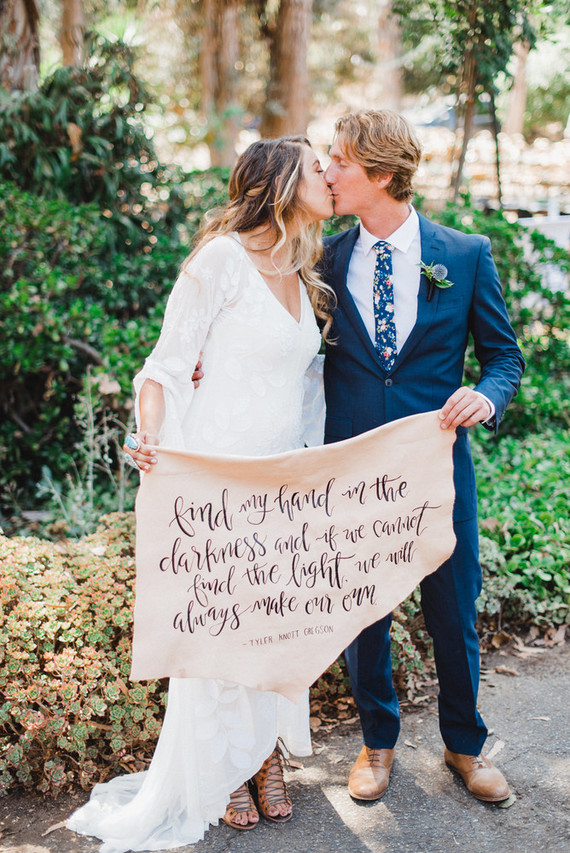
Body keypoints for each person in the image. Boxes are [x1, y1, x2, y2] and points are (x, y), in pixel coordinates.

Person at [67, 136, 334, 851]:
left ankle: (266, 749)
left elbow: (307, 387)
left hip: (282, 478)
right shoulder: (219, 260)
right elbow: (165, 363)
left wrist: (314, 467)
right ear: (280, 183)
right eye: (317, 168)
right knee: (223, 619)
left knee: (274, 617)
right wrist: (155, 440)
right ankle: (226, 770)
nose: (330, 176)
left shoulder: (305, 273)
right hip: (218, 469)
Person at [321, 110, 525, 804]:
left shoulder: (463, 254)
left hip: (436, 467)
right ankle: (377, 743)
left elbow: (504, 355)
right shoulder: (324, 257)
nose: (326, 172)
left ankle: (465, 744)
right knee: (363, 611)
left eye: (339, 161)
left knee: (452, 606)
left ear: (381, 174)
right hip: (351, 467)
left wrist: (487, 397)